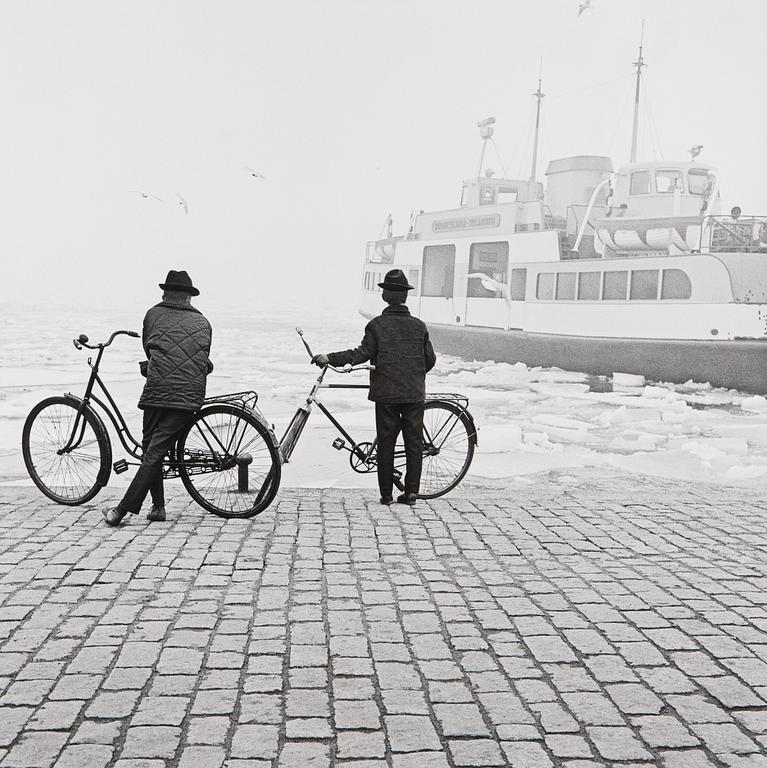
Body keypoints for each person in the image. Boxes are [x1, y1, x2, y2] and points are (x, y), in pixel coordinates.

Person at [312, 269, 436, 506]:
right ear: (406, 296)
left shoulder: (376, 325)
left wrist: (330, 357)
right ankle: (411, 493)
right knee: (413, 443)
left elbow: (360, 354)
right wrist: (412, 376)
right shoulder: (419, 326)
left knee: (387, 443)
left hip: (387, 394)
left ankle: (386, 495)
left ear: (384, 296)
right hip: (413, 393)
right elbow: (429, 360)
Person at [103, 270, 213, 526]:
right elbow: (202, 356)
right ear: (188, 297)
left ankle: (121, 510)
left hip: (156, 392)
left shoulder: (153, 314)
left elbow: (149, 347)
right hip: (188, 395)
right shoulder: (203, 322)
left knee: (151, 450)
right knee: (153, 449)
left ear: (166, 293)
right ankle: (158, 507)